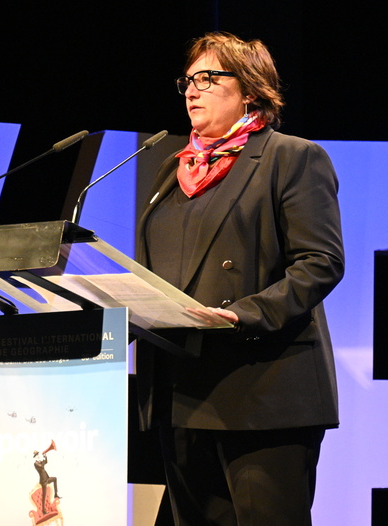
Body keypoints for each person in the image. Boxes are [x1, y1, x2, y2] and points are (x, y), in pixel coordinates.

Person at [135, 32, 345, 526]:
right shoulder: (173, 171)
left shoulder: (291, 157)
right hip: (181, 394)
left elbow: (320, 261)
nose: (192, 90)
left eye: (208, 78)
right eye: (188, 81)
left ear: (250, 90)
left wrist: (242, 314)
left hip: (262, 393)